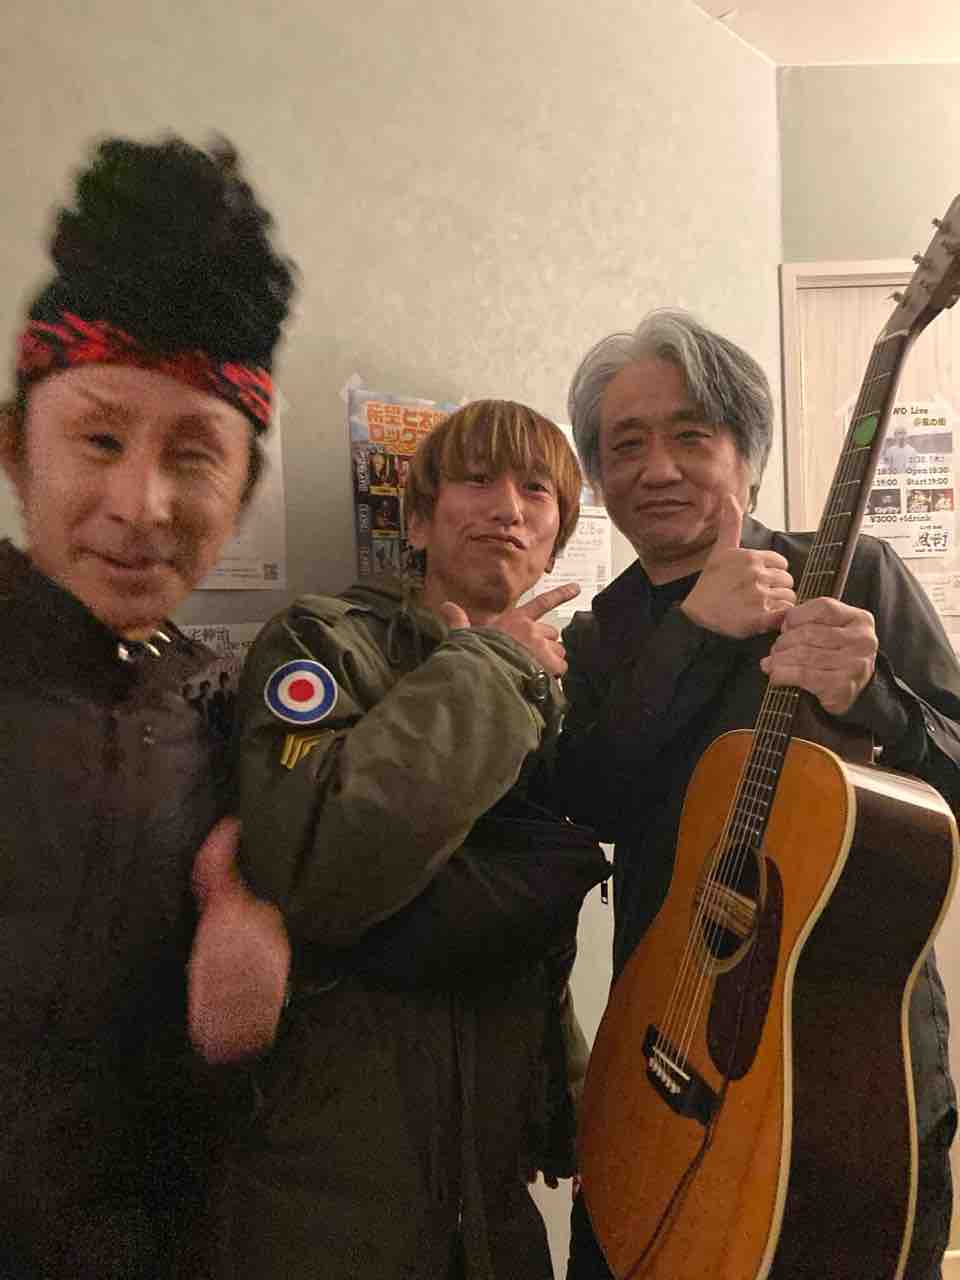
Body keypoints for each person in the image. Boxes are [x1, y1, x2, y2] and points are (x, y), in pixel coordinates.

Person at [558, 310, 958, 1279]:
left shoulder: (853, 572)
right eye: (626, 445)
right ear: (600, 478)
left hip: (850, 1060)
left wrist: (878, 701)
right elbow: (594, 801)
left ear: (748, 453)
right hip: (663, 1045)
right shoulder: (599, 634)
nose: (658, 468)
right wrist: (694, 630)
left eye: (691, 435)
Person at [207, 399, 611, 1279]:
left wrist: (568, 1095)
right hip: (333, 1186)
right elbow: (319, 871)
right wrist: (493, 666)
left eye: (536, 491)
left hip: (493, 1196)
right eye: (478, 480)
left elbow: (523, 918)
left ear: (557, 541)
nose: (507, 507)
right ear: (419, 523)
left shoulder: (552, 687)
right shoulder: (321, 643)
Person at [0, 134, 295, 1279]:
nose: (143, 503)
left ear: (244, 488)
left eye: (195, 454)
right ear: (18, 451)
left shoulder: (221, 718)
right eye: (100, 438)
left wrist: (233, 1024)